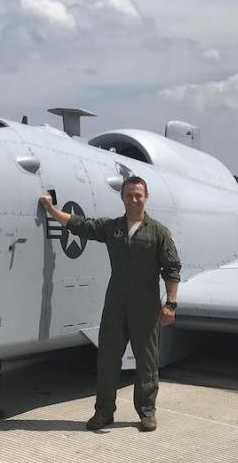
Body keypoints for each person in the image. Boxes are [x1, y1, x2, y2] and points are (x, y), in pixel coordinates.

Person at [40, 176, 181, 432]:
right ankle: (104, 412)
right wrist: (50, 210)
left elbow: (172, 269)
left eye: (138, 195)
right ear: (123, 198)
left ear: (145, 197)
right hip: (115, 305)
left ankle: (147, 412)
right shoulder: (112, 228)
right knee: (107, 361)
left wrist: (170, 303)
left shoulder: (159, 232)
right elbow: (80, 225)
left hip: (146, 308)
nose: (134, 199)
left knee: (146, 362)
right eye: (129, 195)